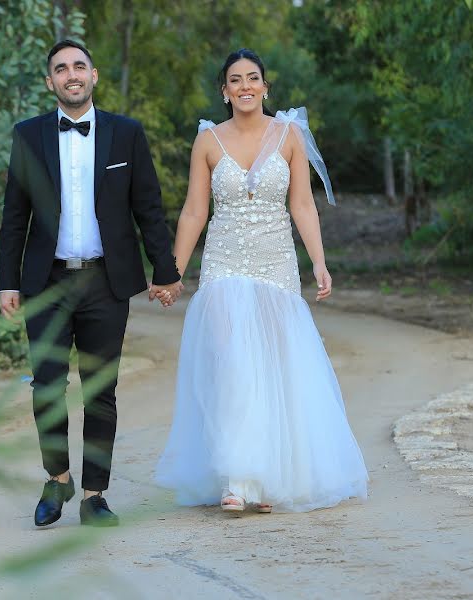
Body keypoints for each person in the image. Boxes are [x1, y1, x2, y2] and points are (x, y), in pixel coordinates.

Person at [155, 49, 368, 513]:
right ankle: (238, 480)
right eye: (236, 80)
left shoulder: (289, 135)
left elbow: (302, 206)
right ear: (224, 91)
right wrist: (171, 272)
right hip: (223, 265)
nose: (245, 86)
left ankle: (269, 479)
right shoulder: (208, 142)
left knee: (275, 368)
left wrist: (319, 262)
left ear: (265, 87)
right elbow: (195, 212)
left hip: (275, 265)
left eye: (253, 78)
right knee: (231, 367)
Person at [0, 39, 183, 527]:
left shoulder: (126, 134)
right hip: (47, 282)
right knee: (47, 387)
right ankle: (57, 480)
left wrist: (165, 270)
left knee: (101, 391)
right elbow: (14, 216)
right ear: (50, 82)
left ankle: (95, 496)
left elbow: (148, 207)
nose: (71, 75)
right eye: (61, 69)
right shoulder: (28, 136)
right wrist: (6, 281)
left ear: (94, 75)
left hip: (106, 280)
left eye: (79, 66)